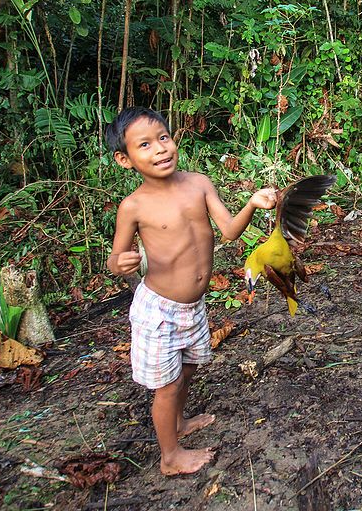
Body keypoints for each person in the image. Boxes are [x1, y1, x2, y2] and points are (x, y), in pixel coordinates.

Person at [105, 107, 276, 475]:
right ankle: (170, 457)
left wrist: (251, 203)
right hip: (158, 310)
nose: (160, 149)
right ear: (124, 159)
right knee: (166, 387)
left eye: (163, 138)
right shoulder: (133, 206)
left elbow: (229, 230)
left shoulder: (198, 183)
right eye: (145, 145)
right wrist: (119, 264)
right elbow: (115, 257)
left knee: (188, 369)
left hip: (193, 307)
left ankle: (179, 422)